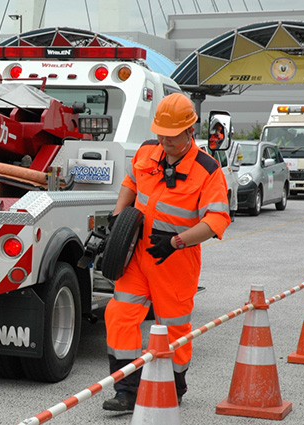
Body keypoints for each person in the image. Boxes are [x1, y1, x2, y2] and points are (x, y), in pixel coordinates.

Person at [101, 92, 231, 411]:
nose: (165, 141)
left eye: (172, 136)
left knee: (174, 326)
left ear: (190, 131)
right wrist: (118, 217)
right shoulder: (148, 151)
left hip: (176, 259)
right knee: (119, 315)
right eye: (161, 133)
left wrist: (176, 242)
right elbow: (130, 182)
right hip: (137, 255)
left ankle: (174, 387)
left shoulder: (208, 169)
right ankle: (126, 389)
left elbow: (217, 220)